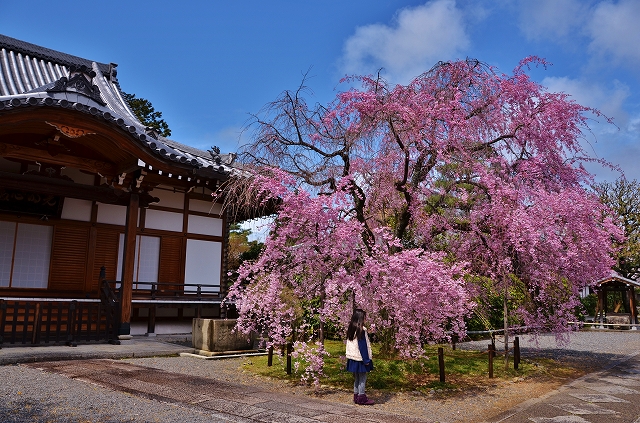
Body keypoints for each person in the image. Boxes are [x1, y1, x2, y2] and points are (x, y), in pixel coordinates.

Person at [345, 308, 374, 405]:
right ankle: (362, 397)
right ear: (360, 319)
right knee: (362, 378)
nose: (365, 319)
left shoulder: (351, 329)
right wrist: (366, 360)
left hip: (353, 358)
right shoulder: (361, 330)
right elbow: (362, 347)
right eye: (364, 318)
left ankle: (356, 396)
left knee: (357, 378)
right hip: (360, 359)